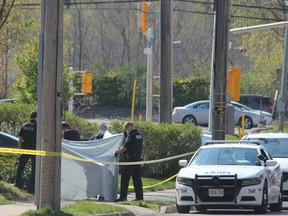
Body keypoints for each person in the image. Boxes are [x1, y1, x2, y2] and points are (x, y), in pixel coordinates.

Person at [114, 121, 144, 202]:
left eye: (126, 128)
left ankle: (123, 197)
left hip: (130, 160)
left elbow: (124, 148)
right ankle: (139, 198)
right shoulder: (139, 135)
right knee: (137, 179)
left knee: (125, 179)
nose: (127, 130)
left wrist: (117, 153)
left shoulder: (131, 136)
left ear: (129, 127)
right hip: (137, 160)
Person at [14, 111, 37, 193]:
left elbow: (20, 138)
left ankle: (17, 184)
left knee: (20, 167)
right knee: (34, 169)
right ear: (36, 117)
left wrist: (19, 148)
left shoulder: (24, 125)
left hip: (25, 148)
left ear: (30, 117)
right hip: (34, 149)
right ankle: (31, 188)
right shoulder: (37, 126)